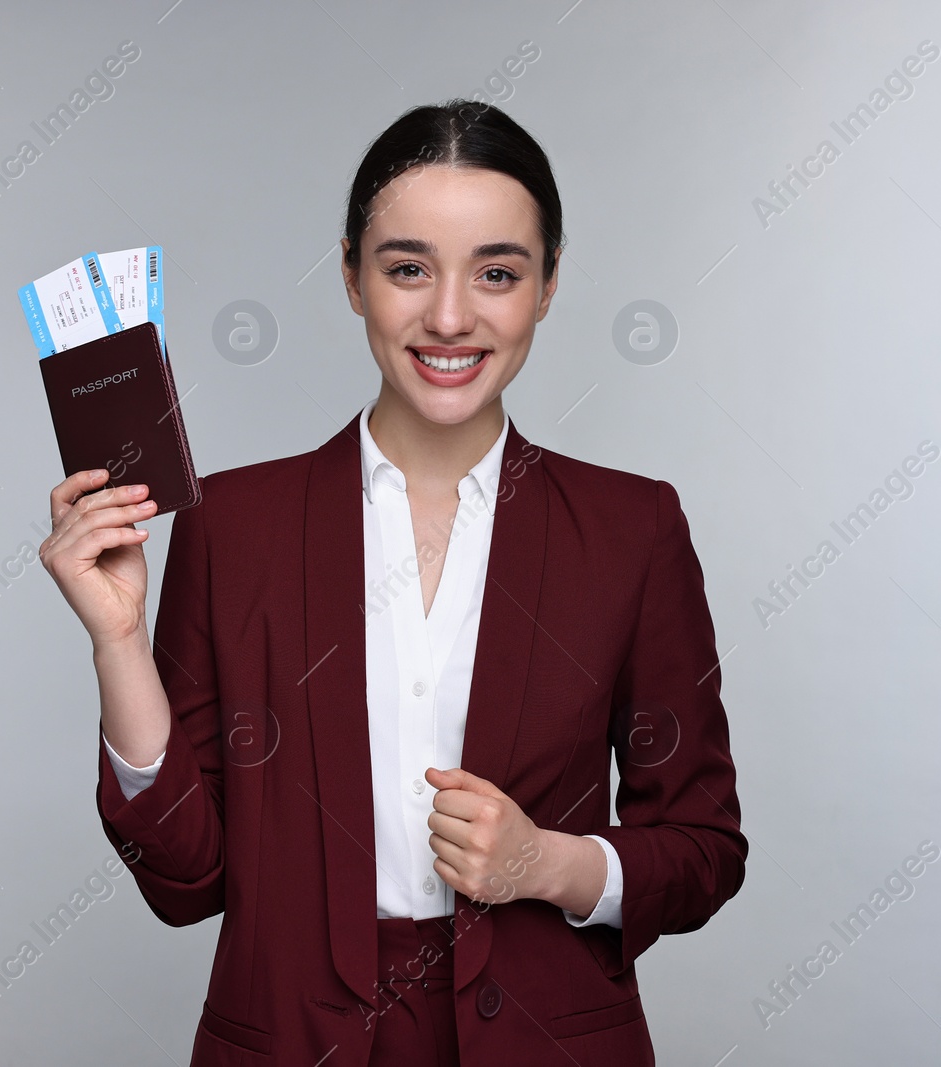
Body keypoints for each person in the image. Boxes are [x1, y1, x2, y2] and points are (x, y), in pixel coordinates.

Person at [41, 98, 746, 1066]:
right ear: (350, 277)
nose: (449, 315)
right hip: (291, 1036)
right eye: (407, 267)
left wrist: (550, 860)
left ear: (545, 288)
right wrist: (117, 640)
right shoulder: (232, 524)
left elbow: (704, 848)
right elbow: (186, 878)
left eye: (497, 272)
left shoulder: (632, 528)